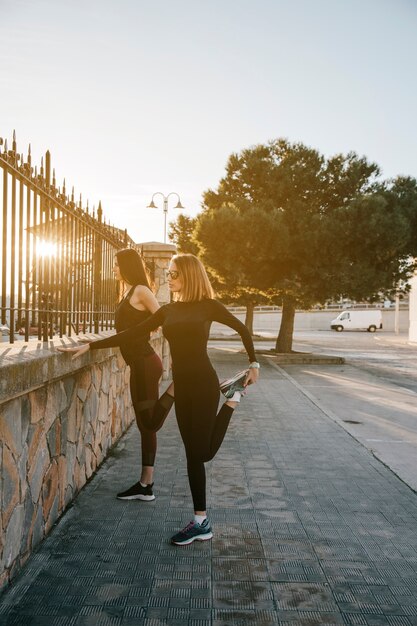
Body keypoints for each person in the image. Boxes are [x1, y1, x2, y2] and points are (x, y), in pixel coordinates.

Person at [59, 253, 260, 545]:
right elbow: (131, 333)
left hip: (204, 384)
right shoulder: (167, 311)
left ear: (189, 275)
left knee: (203, 453)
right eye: (169, 273)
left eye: (175, 274)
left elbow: (242, 329)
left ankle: (232, 398)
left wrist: (254, 363)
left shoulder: (209, 306)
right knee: (192, 455)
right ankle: (200, 521)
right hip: (182, 386)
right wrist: (90, 345)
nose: (169, 278)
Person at [60, 248, 175, 502]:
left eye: (116, 264)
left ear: (127, 265)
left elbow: (161, 319)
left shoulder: (141, 291)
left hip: (146, 363)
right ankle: (146, 485)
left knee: (149, 423)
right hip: (139, 364)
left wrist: (91, 345)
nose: (113, 268)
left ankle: (176, 389)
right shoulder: (127, 292)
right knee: (146, 425)